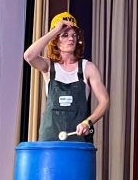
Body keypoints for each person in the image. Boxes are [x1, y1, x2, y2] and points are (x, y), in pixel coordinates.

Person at [23, 12, 110, 142]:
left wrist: (88, 122)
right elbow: (29, 56)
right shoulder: (48, 66)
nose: (71, 39)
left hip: (79, 140)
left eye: (74, 35)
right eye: (65, 35)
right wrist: (55, 30)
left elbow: (104, 101)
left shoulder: (88, 68)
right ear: (55, 41)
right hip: (50, 140)